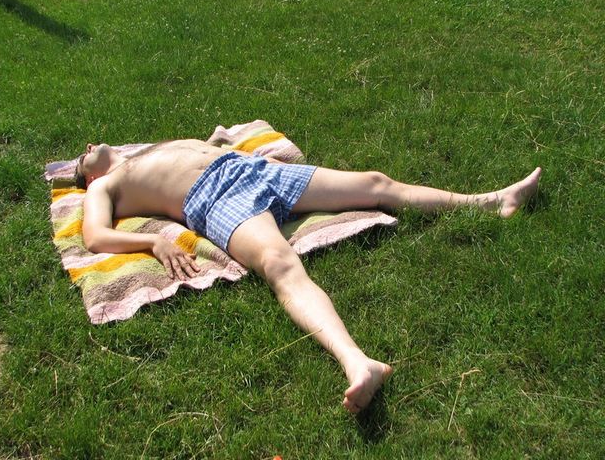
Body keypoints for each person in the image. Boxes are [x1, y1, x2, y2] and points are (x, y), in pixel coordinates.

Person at [76, 139, 541, 414]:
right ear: (89, 178)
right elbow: (95, 235)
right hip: (215, 198)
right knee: (279, 266)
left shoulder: (144, 152)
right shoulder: (105, 186)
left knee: (375, 183)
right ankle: (357, 362)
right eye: (82, 157)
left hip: (253, 167)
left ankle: (490, 201)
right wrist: (153, 242)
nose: (90, 148)